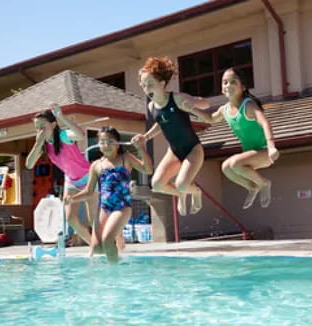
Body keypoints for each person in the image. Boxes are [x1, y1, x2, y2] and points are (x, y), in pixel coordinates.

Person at [132, 57, 212, 216]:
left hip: (193, 149)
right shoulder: (151, 106)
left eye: (150, 84)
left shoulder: (177, 98)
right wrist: (146, 137)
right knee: (156, 184)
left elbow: (206, 103)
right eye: (143, 85)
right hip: (174, 152)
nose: (146, 89)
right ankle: (181, 194)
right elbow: (162, 123)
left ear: (162, 84)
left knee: (182, 184)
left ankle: (195, 191)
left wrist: (192, 105)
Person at [65, 126, 153, 263]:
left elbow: (147, 170)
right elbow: (88, 191)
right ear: (98, 145)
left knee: (107, 240)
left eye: (110, 142)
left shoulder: (126, 158)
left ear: (117, 144)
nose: (106, 145)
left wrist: (141, 148)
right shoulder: (96, 165)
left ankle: (114, 274)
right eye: (102, 142)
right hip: (104, 207)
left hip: (122, 206)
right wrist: (72, 199)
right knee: (97, 248)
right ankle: (120, 260)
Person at [199, 68, 279, 209]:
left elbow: (265, 122)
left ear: (243, 87)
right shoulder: (224, 109)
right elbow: (211, 118)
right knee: (226, 168)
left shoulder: (248, 105)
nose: (228, 85)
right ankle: (252, 187)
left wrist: (272, 146)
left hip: (265, 152)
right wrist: (190, 109)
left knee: (235, 163)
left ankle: (264, 183)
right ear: (222, 88)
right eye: (225, 82)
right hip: (250, 156)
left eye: (233, 82)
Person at [26, 103, 97, 246]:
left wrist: (62, 117)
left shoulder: (63, 135)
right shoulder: (44, 144)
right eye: (37, 127)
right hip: (71, 180)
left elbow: (80, 135)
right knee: (71, 218)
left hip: (88, 177)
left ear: (53, 125)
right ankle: (94, 245)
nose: (39, 130)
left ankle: (106, 242)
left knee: (92, 220)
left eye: (42, 126)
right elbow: (29, 164)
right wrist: (37, 144)